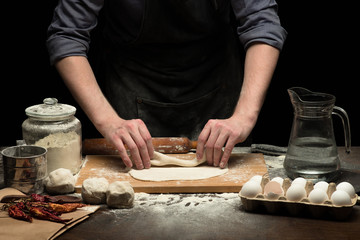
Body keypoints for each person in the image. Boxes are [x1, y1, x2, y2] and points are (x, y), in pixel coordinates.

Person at [47, 0, 287, 170]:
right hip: (134, 85)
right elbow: (67, 37)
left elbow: (262, 25)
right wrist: (107, 120)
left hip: (216, 82)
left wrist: (244, 116)